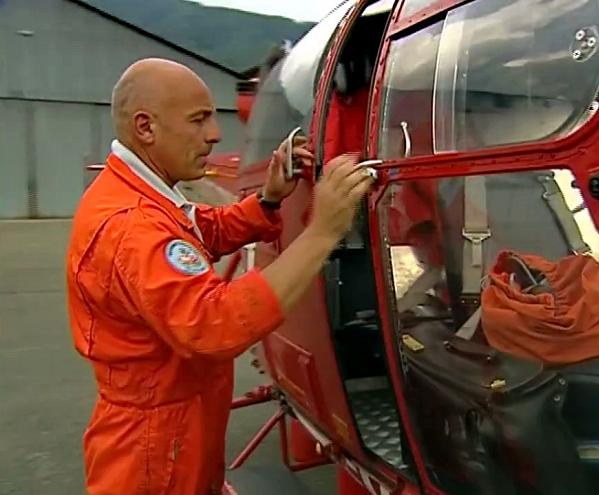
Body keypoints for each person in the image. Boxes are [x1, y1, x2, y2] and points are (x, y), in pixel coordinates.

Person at [65, 57, 373, 495]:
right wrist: (324, 229)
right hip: (155, 447)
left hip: (175, 428)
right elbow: (215, 326)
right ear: (145, 128)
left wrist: (267, 200)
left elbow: (201, 230)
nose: (214, 133)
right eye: (198, 120)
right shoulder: (132, 225)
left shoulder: (143, 193)